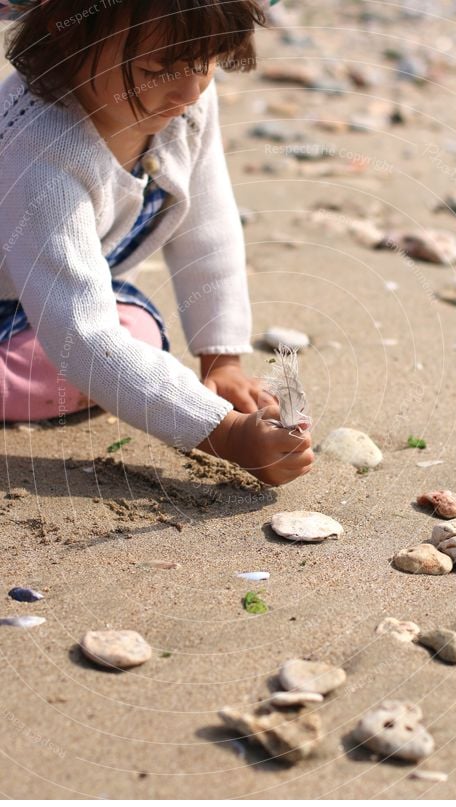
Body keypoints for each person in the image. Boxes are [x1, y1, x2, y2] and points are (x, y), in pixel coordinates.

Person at [0, 0, 314, 486]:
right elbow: (83, 337)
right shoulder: (40, 153)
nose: (188, 93)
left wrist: (221, 359)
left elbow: (208, 223)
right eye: (155, 69)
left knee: (137, 335)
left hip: (33, 301)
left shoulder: (184, 103)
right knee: (93, 353)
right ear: (65, 42)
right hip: (21, 299)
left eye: (205, 62)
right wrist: (224, 432)